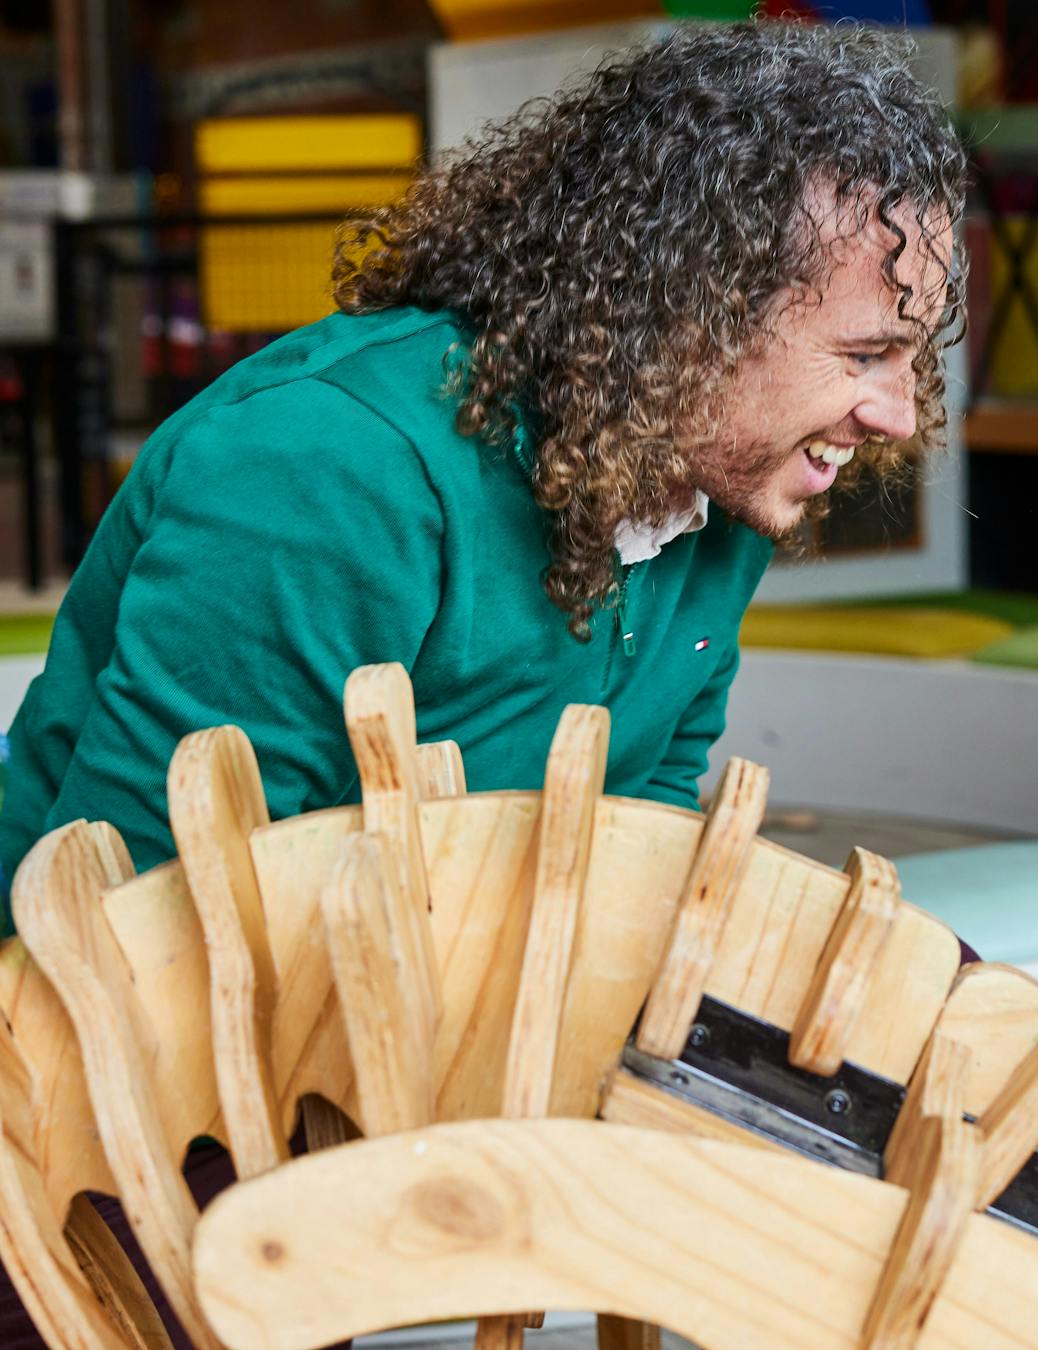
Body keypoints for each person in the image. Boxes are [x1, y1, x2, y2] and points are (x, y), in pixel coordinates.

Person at [0, 20, 965, 927]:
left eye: (911, 358)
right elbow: (139, 914)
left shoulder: (724, 475)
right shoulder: (331, 470)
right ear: (693, 313)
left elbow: (642, 808)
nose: (901, 414)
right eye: (864, 355)